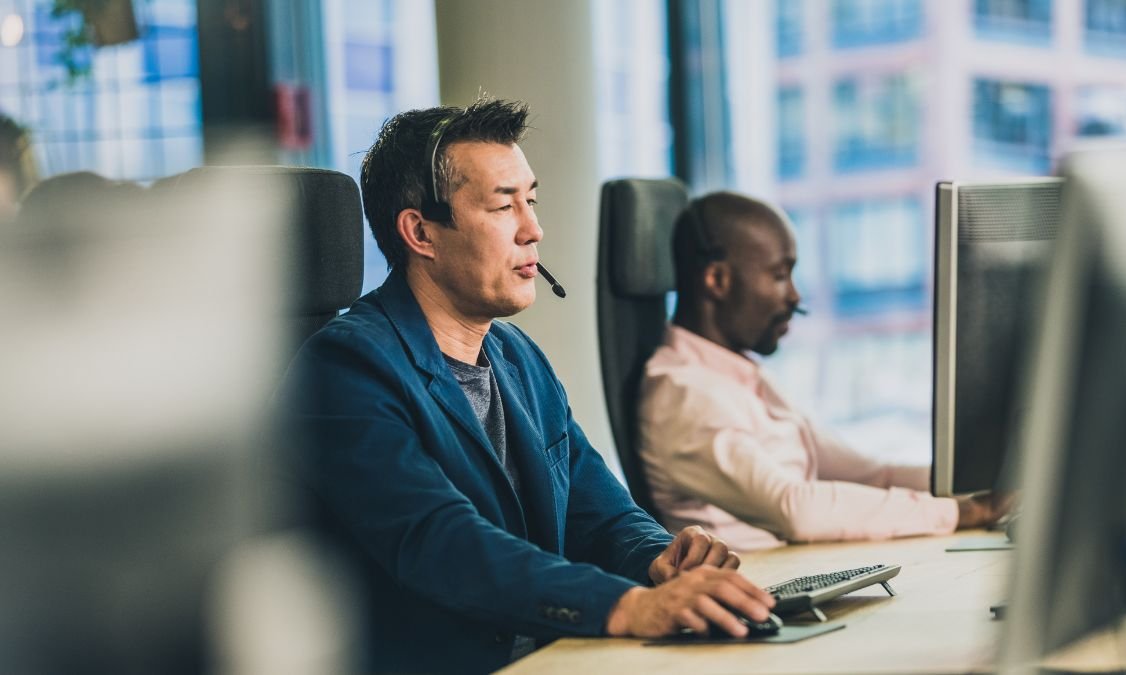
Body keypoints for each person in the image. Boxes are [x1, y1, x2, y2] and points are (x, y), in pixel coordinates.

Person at [276, 100, 775, 674]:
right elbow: (444, 545)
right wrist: (628, 605)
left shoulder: (516, 357)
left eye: (530, 201)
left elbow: (602, 515)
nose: (533, 230)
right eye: (503, 205)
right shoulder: (344, 368)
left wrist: (660, 559)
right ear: (420, 232)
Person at [638, 191, 1007, 551]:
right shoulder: (680, 394)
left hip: (796, 565)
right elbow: (795, 508)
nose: (795, 296)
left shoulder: (743, 376)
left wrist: (975, 485)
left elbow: (873, 475)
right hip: (757, 588)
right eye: (780, 275)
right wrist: (962, 512)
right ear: (718, 280)